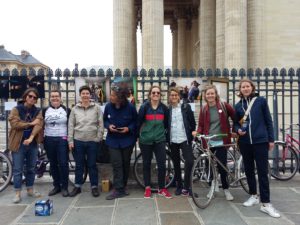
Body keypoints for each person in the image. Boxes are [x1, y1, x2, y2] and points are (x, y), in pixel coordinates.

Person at [234, 78, 280, 218]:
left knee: (262, 172)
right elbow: (235, 124)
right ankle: (253, 195)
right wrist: (238, 130)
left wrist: (271, 139)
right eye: (243, 87)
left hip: (260, 141)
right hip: (245, 142)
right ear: (240, 90)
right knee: (248, 170)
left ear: (252, 88)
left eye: (248, 86)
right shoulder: (237, 106)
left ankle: (266, 203)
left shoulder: (261, 101)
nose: (246, 89)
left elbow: (268, 120)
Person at [195, 84, 235, 201]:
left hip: (221, 140)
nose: (210, 95)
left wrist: (235, 130)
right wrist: (198, 133)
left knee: (222, 166)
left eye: (212, 93)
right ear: (205, 96)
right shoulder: (204, 109)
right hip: (209, 141)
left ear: (215, 94)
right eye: (208, 94)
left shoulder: (224, 105)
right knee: (209, 166)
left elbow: (234, 116)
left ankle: (226, 189)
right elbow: (201, 125)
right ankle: (213, 186)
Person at [8, 88, 43, 203]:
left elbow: (39, 125)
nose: (32, 99)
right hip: (19, 143)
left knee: (31, 168)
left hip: (32, 143)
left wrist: (31, 137)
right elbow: (15, 124)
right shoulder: (16, 109)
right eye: (30, 96)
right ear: (25, 97)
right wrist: (30, 123)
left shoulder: (37, 111)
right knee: (17, 169)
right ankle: (17, 193)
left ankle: (30, 189)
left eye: (34, 97)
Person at [68, 85, 104, 197]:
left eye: (87, 93)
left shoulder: (96, 108)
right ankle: (78, 186)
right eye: (83, 93)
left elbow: (100, 124)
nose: (85, 95)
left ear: (90, 95)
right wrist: (70, 140)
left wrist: (98, 137)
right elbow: (70, 125)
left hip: (92, 141)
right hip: (78, 140)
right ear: (80, 95)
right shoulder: (74, 109)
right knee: (79, 165)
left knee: (92, 164)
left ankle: (94, 186)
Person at [137, 86, 172, 199]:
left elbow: (166, 124)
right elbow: (139, 122)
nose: (156, 94)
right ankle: (147, 187)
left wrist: (165, 137)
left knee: (161, 164)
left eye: (158, 92)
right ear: (150, 94)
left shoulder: (164, 108)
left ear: (160, 95)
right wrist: (138, 136)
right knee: (146, 164)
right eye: (153, 92)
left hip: (159, 140)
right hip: (146, 140)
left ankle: (162, 188)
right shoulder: (144, 107)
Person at [104, 84, 137, 200]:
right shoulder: (108, 106)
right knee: (117, 163)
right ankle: (118, 189)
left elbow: (135, 122)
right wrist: (109, 126)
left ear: (120, 97)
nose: (110, 97)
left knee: (125, 163)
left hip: (127, 140)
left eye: (113, 95)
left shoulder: (130, 107)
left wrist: (128, 128)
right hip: (113, 140)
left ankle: (123, 186)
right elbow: (104, 120)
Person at [167, 87, 195, 196]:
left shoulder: (186, 107)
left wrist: (192, 134)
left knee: (189, 161)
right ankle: (179, 185)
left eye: (175, 95)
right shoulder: (167, 109)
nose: (174, 97)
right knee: (176, 163)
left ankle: (187, 186)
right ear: (169, 97)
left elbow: (192, 123)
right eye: (172, 95)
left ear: (179, 96)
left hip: (184, 138)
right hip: (173, 139)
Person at [43, 90, 70, 197]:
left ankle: (64, 187)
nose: (55, 98)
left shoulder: (67, 110)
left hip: (62, 139)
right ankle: (56, 186)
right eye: (52, 96)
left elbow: (71, 125)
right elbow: (41, 124)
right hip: (49, 139)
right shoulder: (45, 110)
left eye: (57, 96)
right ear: (50, 98)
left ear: (60, 97)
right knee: (53, 163)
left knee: (63, 163)